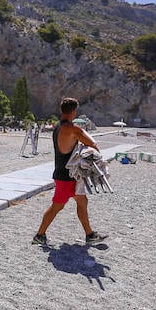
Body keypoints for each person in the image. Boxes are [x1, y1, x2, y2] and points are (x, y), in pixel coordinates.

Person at [33, 97, 109, 246]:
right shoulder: (74, 129)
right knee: (57, 206)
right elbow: (93, 145)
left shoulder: (58, 127)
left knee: (82, 201)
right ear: (74, 111)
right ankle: (39, 235)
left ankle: (90, 234)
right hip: (66, 177)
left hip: (67, 175)